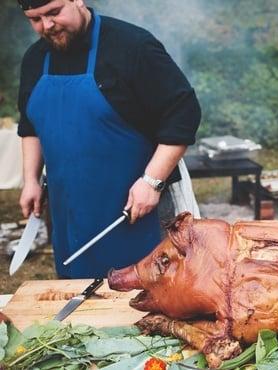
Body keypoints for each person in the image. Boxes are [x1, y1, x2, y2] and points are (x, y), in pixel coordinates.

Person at [16, 0, 202, 278]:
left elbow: (183, 112)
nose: (47, 26)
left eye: (54, 13)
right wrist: (30, 179)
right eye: (35, 19)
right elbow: (30, 124)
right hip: (69, 212)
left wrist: (152, 182)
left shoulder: (133, 47)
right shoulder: (35, 58)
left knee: (149, 298)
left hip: (137, 209)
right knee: (79, 305)